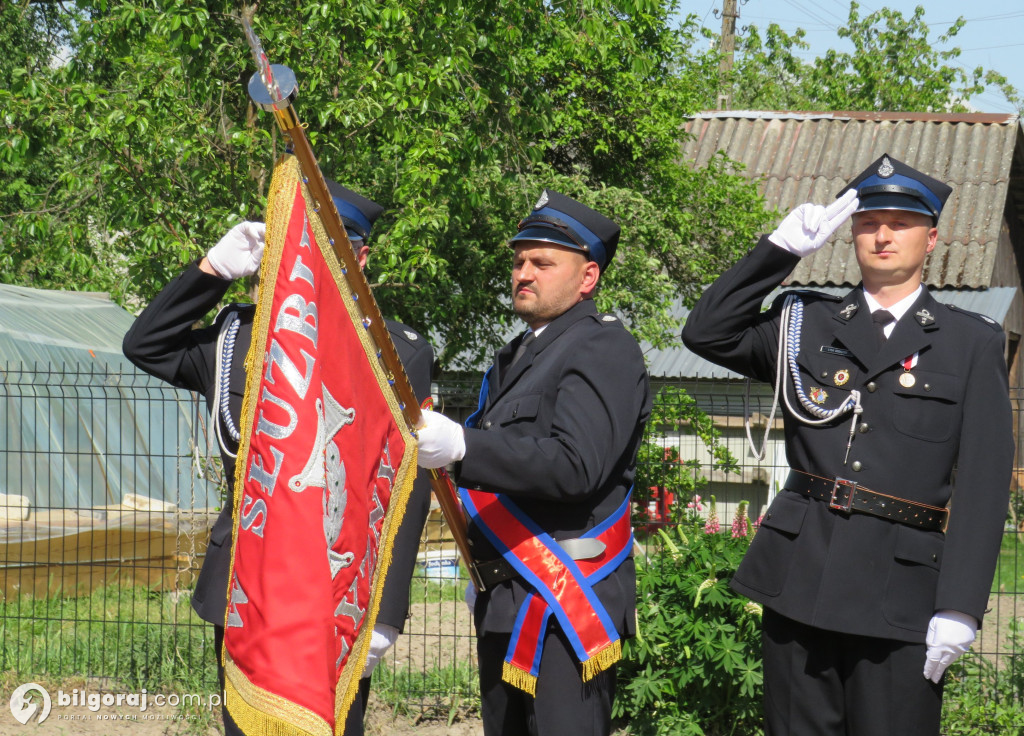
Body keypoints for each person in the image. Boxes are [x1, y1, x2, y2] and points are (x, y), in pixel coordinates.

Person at [681, 154, 1014, 735]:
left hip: (901, 593)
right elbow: (707, 331)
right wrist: (779, 252)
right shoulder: (805, 321)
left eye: (901, 223)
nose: (882, 235)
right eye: (868, 222)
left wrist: (960, 605)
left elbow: (984, 487)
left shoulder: (969, 343)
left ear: (931, 238)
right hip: (800, 580)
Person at [122, 180, 434, 736]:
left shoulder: (395, 352)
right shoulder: (239, 336)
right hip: (246, 577)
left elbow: (407, 487)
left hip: (335, 586)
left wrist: (385, 612)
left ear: (359, 258)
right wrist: (212, 270)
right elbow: (147, 345)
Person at [413, 191, 652, 736]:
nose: (524, 273)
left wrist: (467, 448)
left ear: (587, 277)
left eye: (542, 263)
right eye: (519, 261)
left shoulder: (603, 347)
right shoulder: (517, 355)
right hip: (505, 595)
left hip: (565, 599)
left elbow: (576, 466)